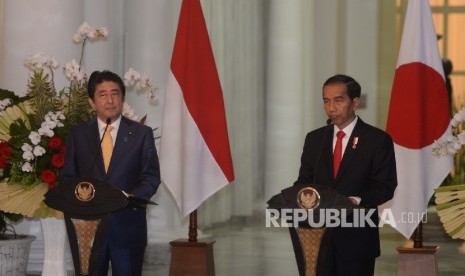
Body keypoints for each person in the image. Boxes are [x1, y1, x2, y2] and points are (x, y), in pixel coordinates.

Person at [293, 74, 397, 276]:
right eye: (326, 101)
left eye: (338, 100)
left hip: (357, 239)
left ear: (355, 103)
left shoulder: (377, 140)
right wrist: (300, 198)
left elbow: (385, 186)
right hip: (317, 238)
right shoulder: (315, 139)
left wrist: (355, 200)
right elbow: (304, 181)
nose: (331, 107)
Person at [60, 70, 161, 275]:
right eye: (102, 94)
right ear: (91, 102)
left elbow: (151, 176)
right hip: (89, 228)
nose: (110, 100)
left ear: (122, 98)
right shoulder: (78, 134)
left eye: (115, 93)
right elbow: (69, 177)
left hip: (127, 226)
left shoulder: (141, 134)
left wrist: (131, 196)